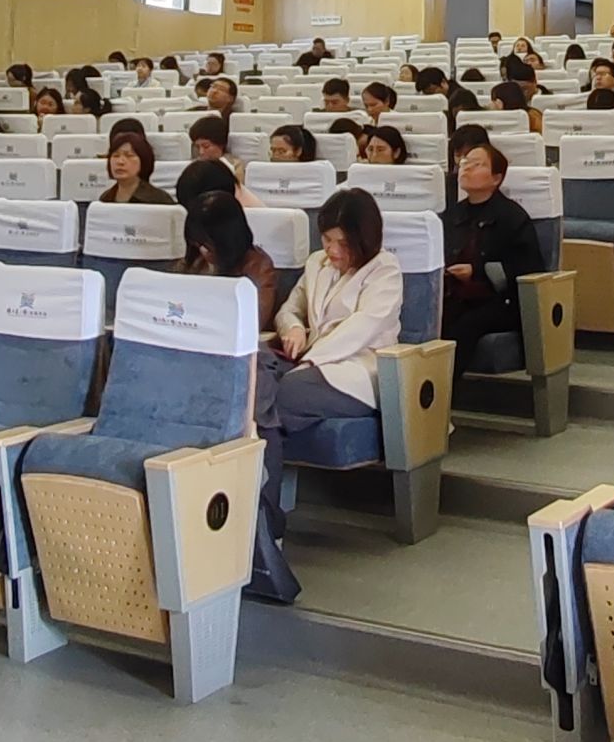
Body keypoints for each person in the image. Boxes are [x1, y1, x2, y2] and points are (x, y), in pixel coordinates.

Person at [263, 189, 404, 551]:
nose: (332, 250)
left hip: (357, 372)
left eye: (343, 243)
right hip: (309, 362)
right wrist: (294, 328)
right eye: (327, 239)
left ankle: (265, 524)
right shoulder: (317, 264)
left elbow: (360, 330)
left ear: (364, 239)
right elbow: (289, 309)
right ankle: (264, 524)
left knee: (270, 402)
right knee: (252, 377)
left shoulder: (385, 270)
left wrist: (308, 361)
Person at [440, 145, 544, 381]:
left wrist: (477, 271)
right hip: (456, 294)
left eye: (476, 164)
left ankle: (442, 395)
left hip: (501, 300)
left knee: (464, 326)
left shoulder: (512, 217)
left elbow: (527, 269)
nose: (466, 169)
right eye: (464, 163)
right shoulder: (452, 214)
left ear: (496, 178)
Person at [177, 190, 276, 330]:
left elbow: (250, 324)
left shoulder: (258, 268)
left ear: (227, 240)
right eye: (197, 244)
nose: (202, 251)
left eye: (207, 245)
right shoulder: (194, 261)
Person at [99, 132, 174, 206]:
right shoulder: (105, 199)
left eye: (129, 156)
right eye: (116, 156)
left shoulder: (159, 200)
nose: (120, 162)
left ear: (143, 161)